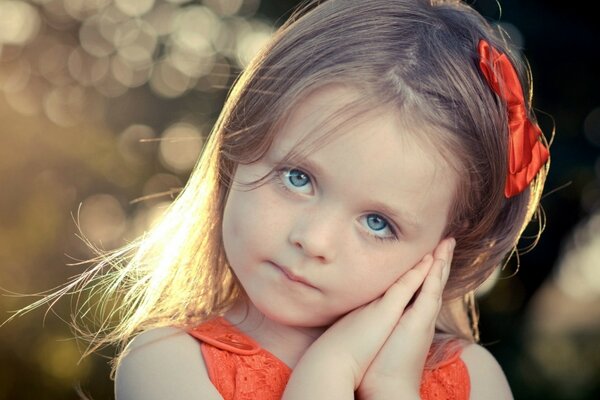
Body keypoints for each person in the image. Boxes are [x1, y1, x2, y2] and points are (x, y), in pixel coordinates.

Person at [54, 0, 552, 398]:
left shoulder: (472, 380)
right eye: (298, 178)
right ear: (237, 147)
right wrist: (330, 373)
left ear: (444, 253)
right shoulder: (166, 362)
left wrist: (393, 389)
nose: (313, 240)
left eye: (378, 223)